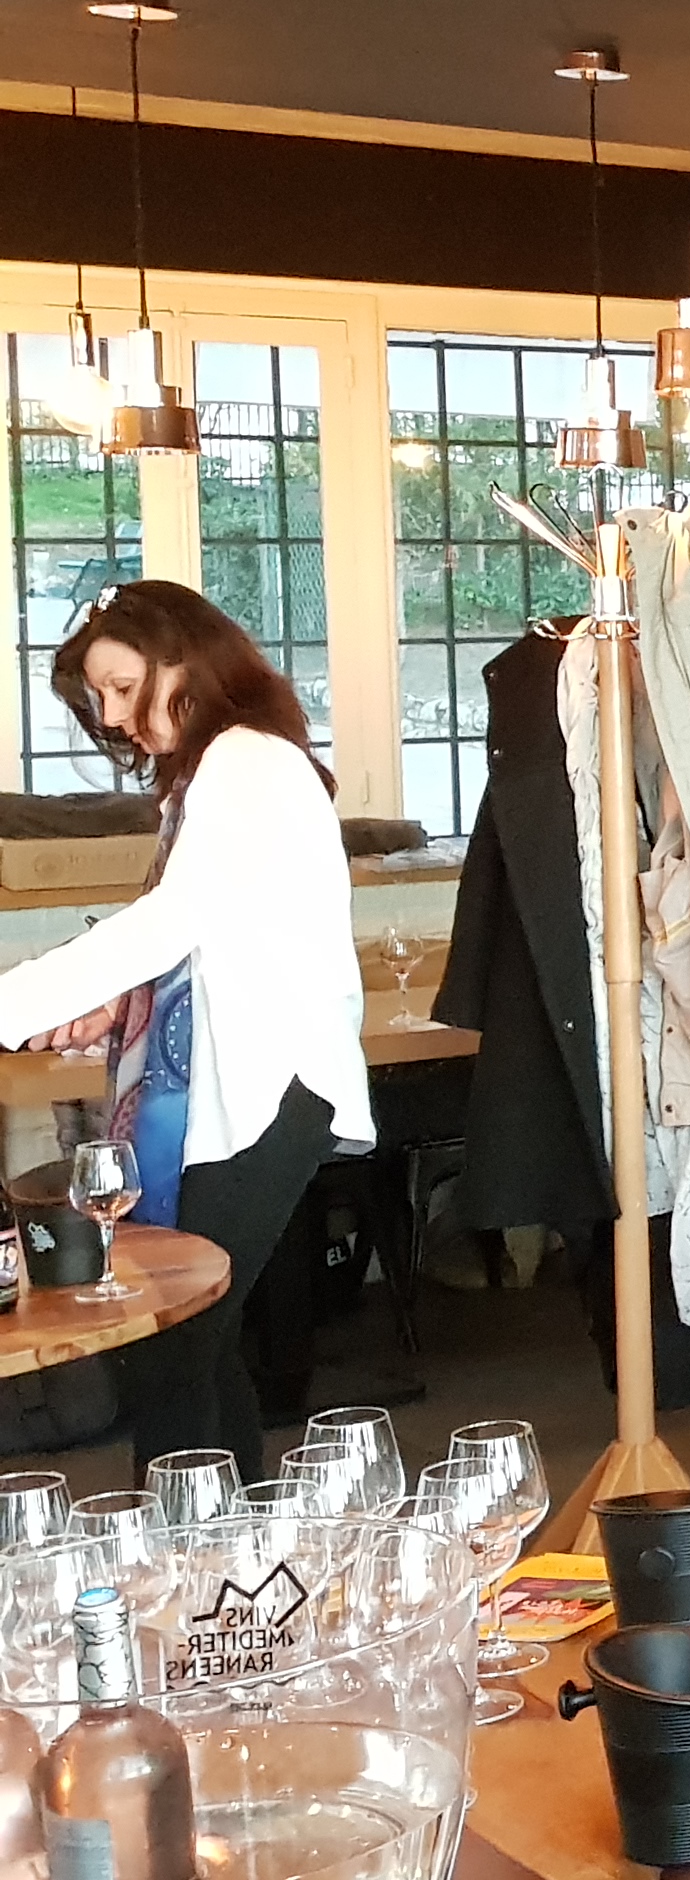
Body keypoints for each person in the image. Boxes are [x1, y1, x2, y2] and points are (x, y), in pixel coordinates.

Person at [0, 583, 376, 1478]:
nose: (110, 716)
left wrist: (13, 1001)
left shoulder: (246, 761)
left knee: (174, 1349)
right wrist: (106, 1004)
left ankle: (187, 1548)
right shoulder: (223, 772)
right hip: (244, 1091)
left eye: (122, 687)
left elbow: (173, 923)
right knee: (196, 1344)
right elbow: (208, 940)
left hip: (267, 1092)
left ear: (186, 661)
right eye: (100, 698)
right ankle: (227, 1544)